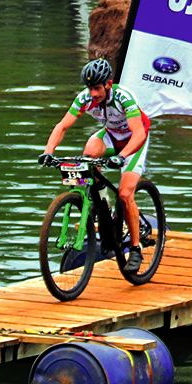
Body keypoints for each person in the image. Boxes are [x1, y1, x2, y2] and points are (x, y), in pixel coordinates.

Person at [42, 57, 151, 271]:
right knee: (89, 153)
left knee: (125, 193)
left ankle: (136, 249)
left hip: (134, 140)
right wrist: (48, 152)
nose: (93, 93)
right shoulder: (85, 98)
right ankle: (104, 206)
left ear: (109, 85)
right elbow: (63, 126)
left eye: (98, 88)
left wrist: (122, 156)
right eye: (90, 88)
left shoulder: (123, 97)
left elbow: (138, 133)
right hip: (112, 134)